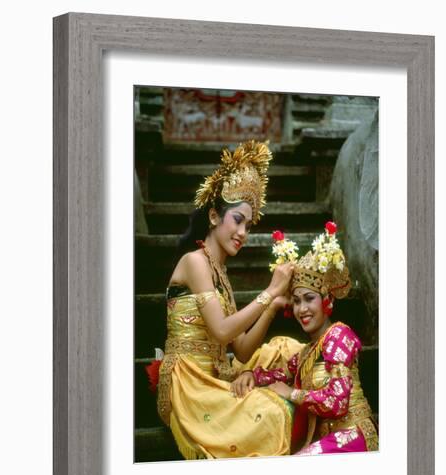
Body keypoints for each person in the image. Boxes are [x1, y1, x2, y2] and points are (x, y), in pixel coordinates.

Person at [156, 140, 302, 459]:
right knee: (273, 412)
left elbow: (242, 348)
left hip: (220, 372)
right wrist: (270, 292)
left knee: (288, 350)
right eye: (237, 220)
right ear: (213, 216)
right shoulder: (195, 262)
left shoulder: (220, 272)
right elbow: (222, 331)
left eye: (248, 225)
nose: (243, 232)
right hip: (191, 383)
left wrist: (274, 305)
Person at [243, 221, 378, 454]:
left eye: (309, 298)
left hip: (354, 436)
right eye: (296, 301)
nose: (301, 309)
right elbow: (279, 374)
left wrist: (292, 393)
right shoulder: (307, 352)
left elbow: (338, 402)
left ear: (328, 301)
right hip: (328, 441)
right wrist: (250, 375)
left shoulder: (338, 335)